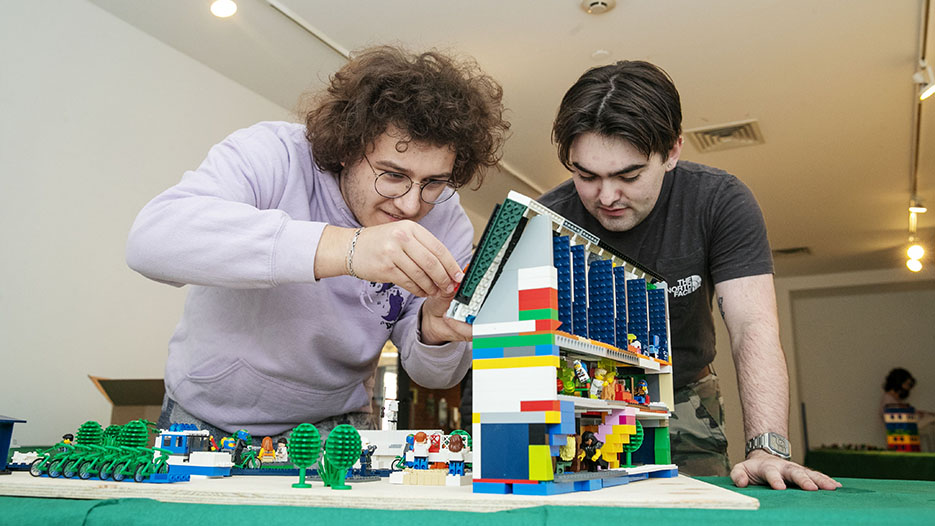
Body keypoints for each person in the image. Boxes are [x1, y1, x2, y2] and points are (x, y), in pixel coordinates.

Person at [126, 46, 509, 444]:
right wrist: (347, 248)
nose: (412, 204)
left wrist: (434, 331)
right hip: (204, 419)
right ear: (347, 149)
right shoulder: (273, 154)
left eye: (433, 182)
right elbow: (151, 241)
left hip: (337, 427)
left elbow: (436, 376)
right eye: (393, 175)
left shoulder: (447, 219)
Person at [537, 60, 840, 491]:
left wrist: (768, 446)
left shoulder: (719, 201)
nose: (606, 196)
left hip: (685, 396)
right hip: (577, 400)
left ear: (672, 151)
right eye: (586, 175)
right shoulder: (545, 220)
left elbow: (752, 326)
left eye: (629, 175)